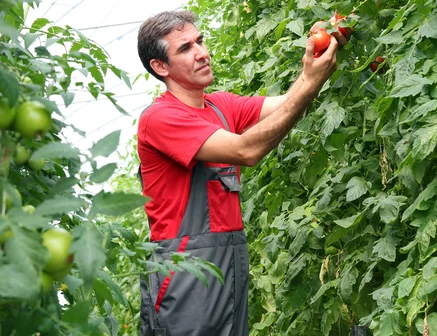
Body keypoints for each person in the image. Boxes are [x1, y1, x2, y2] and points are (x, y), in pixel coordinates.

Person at [136, 10, 349, 336]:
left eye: (200, 41)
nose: (202, 53)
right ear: (160, 67)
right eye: (185, 48)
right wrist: (311, 84)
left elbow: (289, 102)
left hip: (230, 261)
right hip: (183, 271)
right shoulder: (160, 118)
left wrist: (314, 62)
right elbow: (244, 151)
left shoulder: (222, 107)